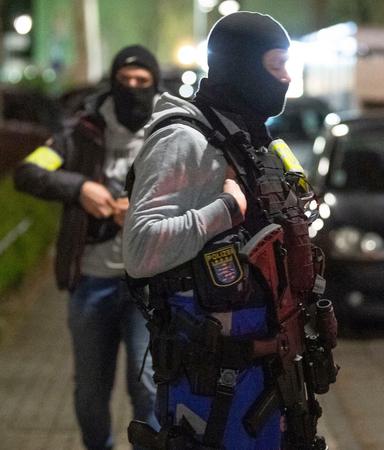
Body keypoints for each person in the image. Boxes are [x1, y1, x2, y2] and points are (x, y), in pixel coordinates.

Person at [123, 12, 337, 450]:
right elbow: (140, 249)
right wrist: (225, 209)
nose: (287, 78)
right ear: (241, 65)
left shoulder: (252, 139)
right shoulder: (185, 139)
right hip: (214, 395)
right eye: (276, 65)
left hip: (268, 381)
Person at [13, 45, 161, 450]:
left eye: (142, 81)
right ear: (112, 82)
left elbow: (192, 190)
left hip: (149, 285)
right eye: (125, 80)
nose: (133, 88)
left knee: (149, 386)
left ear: (155, 84)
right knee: (90, 392)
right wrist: (79, 188)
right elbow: (28, 172)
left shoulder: (169, 129)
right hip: (91, 282)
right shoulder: (80, 131)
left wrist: (142, 207)